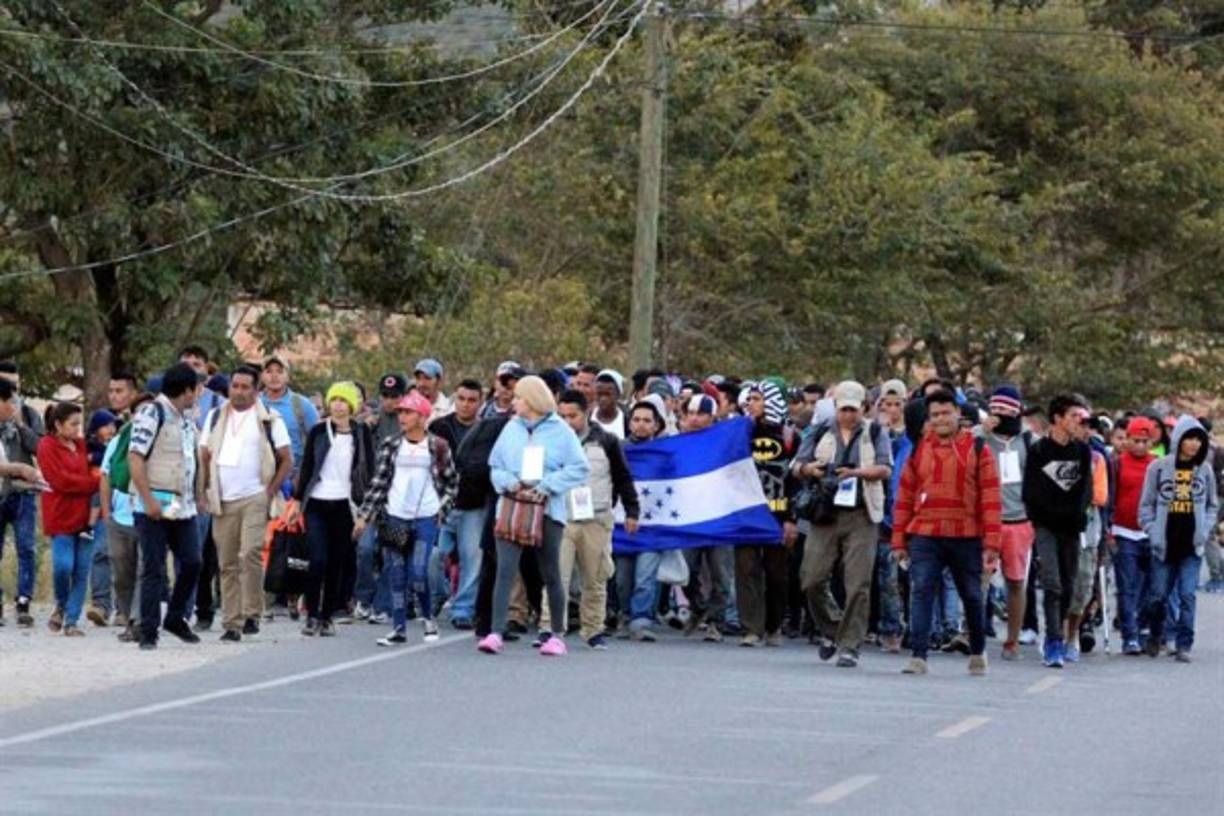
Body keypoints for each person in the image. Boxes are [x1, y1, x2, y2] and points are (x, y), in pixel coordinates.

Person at [892, 389, 1001, 676]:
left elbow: (991, 498)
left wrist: (992, 544)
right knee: (922, 590)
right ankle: (918, 655)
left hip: (966, 535)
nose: (941, 419)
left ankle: (977, 651)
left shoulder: (978, 450)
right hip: (925, 534)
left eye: (946, 413)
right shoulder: (918, 450)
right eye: (935, 415)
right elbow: (904, 497)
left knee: (972, 595)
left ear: (958, 414)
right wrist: (899, 540)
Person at [478, 376, 590, 656]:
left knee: (550, 570)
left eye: (518, 397)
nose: (513, 401)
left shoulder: (561, 431)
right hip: (512, 506)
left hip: (547, 508)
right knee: (505, 570)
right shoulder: (510, 429)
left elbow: (579, 467)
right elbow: (495, 466)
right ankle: (495, 631)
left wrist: (548, 486)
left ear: (532, 400)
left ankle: (556, 633)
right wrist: (509, 482)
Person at [794, 381, 892, 667]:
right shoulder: (820, 429)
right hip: (825, 513)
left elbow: (885, 468)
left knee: (858, 582)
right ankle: (832, 627)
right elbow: (798, 465)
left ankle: (850, 645)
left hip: (861, 514)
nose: (848, 415)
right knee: (811, 577)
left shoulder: (875, 432)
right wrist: (810, 469)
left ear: (863, 407)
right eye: (843, 409)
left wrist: (857, 473)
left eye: (853, 409)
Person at [354, 392, 457, 647]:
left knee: (419, 572)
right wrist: (365, 516)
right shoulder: (391, 445)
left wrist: (441, 510)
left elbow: (452, 483)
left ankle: (428, 618)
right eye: (400, 412)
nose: (402, 417)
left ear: (422, 417)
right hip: (395, 517)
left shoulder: (437, 445)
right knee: (397, 574)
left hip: (425, 517)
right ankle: (398, 628)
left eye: (408, 413)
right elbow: (379, 483)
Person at [200, 365, 293, 642]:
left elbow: (286, 459)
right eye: (235, 386)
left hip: (255, 495)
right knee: (226, 561)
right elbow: (204, 455)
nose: (239, 392)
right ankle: (232, 622)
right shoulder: (216, 417)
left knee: (250, 553)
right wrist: (203, 491)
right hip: (223, 498)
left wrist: (270, 491)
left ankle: (252, 610)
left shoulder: (269, 419)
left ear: (256, 390)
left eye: (245, 387)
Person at [549, 390, 639, 649]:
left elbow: (623, 478)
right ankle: (550, 628)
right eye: (562, 416)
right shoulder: (551, 442)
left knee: (595, 577)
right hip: (560, 517)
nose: (567, 422)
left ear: (586, 412)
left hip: (596, 517)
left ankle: (593, 629)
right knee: (556, 576)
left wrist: (632, 511)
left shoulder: (607, 442)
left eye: (573, 416)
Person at [129, 362, 204, 650]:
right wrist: (148, 501)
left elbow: (191, 460)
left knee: (193, 561)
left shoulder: (186, 419)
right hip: (153, 507)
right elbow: (136, 458)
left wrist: (199, 493)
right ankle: (149, 631)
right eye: (195, 389)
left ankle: (174, 617)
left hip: (182, 507)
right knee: (154, 568)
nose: (197, 395)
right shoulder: (152, 414)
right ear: (185, 391)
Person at [292, 382, 375, 636]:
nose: (338, 405)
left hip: (344, 504)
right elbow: (306, 467)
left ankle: (327, 616)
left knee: (335, 563)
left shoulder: (361, 433)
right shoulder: (319, 431)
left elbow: (370, 472)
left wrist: (365, 514)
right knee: (317, 559)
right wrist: (297, 501)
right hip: (317, 502)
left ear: (352, 405)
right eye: (334, 400)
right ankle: (311, 613)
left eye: (343, 401)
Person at [1138, 416, 1218, 662]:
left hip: (1191, 546)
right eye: (1189, 438)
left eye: (1198, 439)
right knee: (1158, 596)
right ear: (1179, 439)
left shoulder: (1204, 470)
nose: (1193, 444)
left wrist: (1203, 530)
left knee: (1187, 595)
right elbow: (1146, 505)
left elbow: (1212, 505)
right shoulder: (1158, 468)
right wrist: (1152, 531)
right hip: (1164, 544)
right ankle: (1155, 634)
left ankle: (1184, 644)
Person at [1023, 394, 1093, 669]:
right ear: (1058, 418)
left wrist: (1077, 515)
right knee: (1051, 582)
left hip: (1072, 528)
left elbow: (1085, 490)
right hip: (1045, 526)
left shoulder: (1083, 451)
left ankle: (1063, 634)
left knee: (1069, 584)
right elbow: (1031, 491)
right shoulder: (1039, 451)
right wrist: (1045, 516)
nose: (1080, 422)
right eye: (1075, 416)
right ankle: (1052, 640)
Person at [734, 381, 798, 648]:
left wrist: (791, 519)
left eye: (757, 398)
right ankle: (751, 628)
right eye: (749, 398)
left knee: (777, 574)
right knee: (746, 570)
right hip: (747, 514)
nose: (751, 403)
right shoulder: (739, 432)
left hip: (778, 515)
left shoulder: (790, 436)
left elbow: (796, 480)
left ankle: (773, 626)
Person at [977, 385, 1035, 660]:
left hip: (1019, 520)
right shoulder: (983, 438)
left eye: (1005, 410)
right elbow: (962, 449)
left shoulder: (1027, 441)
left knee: (1015, 581)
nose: (999, 415)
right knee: (979, 580)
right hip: (986, 519)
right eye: (994, 409)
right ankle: (973, 635)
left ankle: (1012, 639)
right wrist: (982, 431)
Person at [37, 403, 100, 636]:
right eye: (72, 424)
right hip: (61, 515)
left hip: (86, 517)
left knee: (82, 570)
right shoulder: (46, 446)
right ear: (58, 425)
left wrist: (92, 480)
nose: (77, 429)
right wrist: (93, 484)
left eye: (79, 424)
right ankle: (61, 603)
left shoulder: (81, 446)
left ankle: (71, 620)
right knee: (63, 566)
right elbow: (60, 481)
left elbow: (94, 469)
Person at [428, 379, 485, 627]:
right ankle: (438, 593)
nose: (465, 405)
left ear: (480, 403)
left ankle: (463, 610)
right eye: (461, 399)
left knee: (472, 559)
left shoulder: (488, 430)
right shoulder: (439, 427)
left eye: (472, 400)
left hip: (474, 505)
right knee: (433, 556)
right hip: (440, 503)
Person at [612, 394, 669, 641]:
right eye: (636, 419)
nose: (641, 424)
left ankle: (642, 620)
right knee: (623, 579)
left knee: (645, 578)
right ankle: (625, 616)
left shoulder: (666, 453)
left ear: (656, 425)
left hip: (652, 527)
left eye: (647, 420)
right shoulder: (618, 450)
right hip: (622, 524)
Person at [100, 392, 154, 642]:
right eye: (140, 412)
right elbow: (106, 475)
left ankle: (138, 621)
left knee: (146, 570)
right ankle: (126, 614)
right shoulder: (119, 440)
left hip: (148, 515)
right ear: (132, 416)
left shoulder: (160, 442)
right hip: (120, 517)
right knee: (122, 573)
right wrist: (106, 512)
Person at [0, 376, 43, 628]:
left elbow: (40, 447)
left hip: (23, 493)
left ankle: (24, 601)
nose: (13, 403)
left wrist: (21, 425)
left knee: (26, 547)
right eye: (9, 399)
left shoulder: (25, 416)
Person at [84, 409, 118, 626]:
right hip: (96, 507)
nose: (110, 429)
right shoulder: (87, 449)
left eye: (112, 425)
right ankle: (101, 604)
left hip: (120, 504)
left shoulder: (118, 445)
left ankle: (124, 607)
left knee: (124, 557)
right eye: (106, 425)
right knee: (100, 553)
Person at [260, 356, 319, 472]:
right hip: (260, 474)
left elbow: (316, 442)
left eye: (280, 371)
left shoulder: (302, 405)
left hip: (293, 474)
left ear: (288, 377)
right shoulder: (254, 403)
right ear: (262, 376)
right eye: (269, 371)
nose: (274, 376)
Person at [591, 369, 627, 439]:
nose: (603, 399)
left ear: (618, 395)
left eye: (607, 395)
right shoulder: (588, 418)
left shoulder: (627, 420)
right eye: (599, 394)